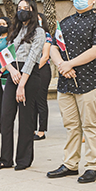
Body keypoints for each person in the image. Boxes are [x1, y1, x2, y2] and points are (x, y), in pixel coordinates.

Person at [45, 0, 96, 183]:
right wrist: (62, 65)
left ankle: (93, 166)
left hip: (91, 80)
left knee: (90, 125)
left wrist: (70, 63)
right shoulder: (64, 22)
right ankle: (70, 164)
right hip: (66, 82)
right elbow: (54, 47)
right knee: (72, 125)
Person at [0, 0, 44, 171]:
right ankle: (5, 158)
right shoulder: (14, 30)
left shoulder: (38, 32)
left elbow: (32, 58)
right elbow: (6, 53)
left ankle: (23, 159)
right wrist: (12, 71)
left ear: (33, 10)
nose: (22, 10)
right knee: (6, 116)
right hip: (13, 72)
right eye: (19, 8)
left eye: (26, 8)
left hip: (29, 76)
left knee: (26, 119)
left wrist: (22, 84)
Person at [33, 13, 53, 141]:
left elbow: (45, 57)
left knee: (40, 100)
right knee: (32, 101)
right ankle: (32, 128)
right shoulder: (30, 35)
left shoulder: (47, 36)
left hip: (42, 69)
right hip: (32, 69)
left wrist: (32, 69)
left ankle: (41, 130)